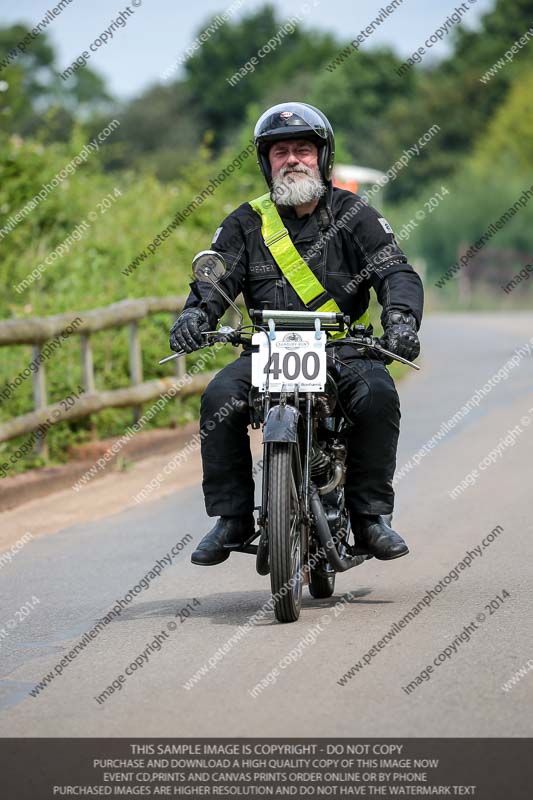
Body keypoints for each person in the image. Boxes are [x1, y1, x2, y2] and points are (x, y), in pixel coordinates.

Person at [169, 102, 423, 567]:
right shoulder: (245, 222)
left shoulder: (355, 214)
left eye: (302, 149)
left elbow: (395, 271)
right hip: (266, 348)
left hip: (341, 348)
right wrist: (194, 316)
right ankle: (232, 518)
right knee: (218, 396)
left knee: (378, 393)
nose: (292, 159)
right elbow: (215, 281)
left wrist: (402, 320)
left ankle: (369, 518)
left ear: (321, 158)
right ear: (266, 162)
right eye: (280, 151)